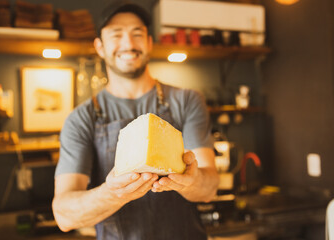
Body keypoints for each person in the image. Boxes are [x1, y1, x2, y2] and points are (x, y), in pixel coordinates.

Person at [52, 1, 219, 240]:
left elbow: (210, 188)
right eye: (116, 35)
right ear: (99, 46)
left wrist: (192, 182)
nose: (128, 44)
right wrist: (113, 193)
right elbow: (64, 216)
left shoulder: (186, 101)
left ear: (150, 43)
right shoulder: (81, 119)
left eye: (137, 34)